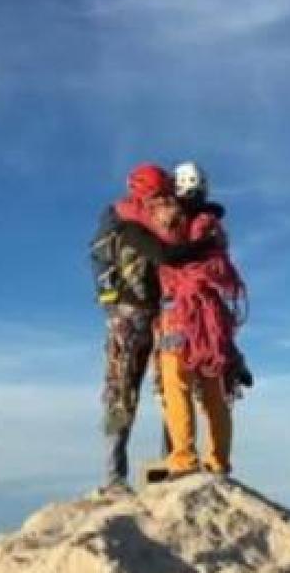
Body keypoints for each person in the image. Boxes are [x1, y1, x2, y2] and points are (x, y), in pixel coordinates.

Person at [90, 164, 218, 494]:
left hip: (155, 313)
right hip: (132, 313)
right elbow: (165, 255)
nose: (163, 201)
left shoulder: (141, 220)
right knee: (123, 390)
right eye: (159, 194)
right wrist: (205, 244)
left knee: (168, 387)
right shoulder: (130, 225)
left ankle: (172, 461)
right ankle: (114, 478)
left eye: (166, 194)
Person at [147, 176, 249, 478]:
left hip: (180, 314)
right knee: (212, 390)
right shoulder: (212, 229)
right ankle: (217, 463)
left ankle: (184, 459)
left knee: (177, 386)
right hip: (208, 319)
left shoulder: (168, 222)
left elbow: (164, 257)